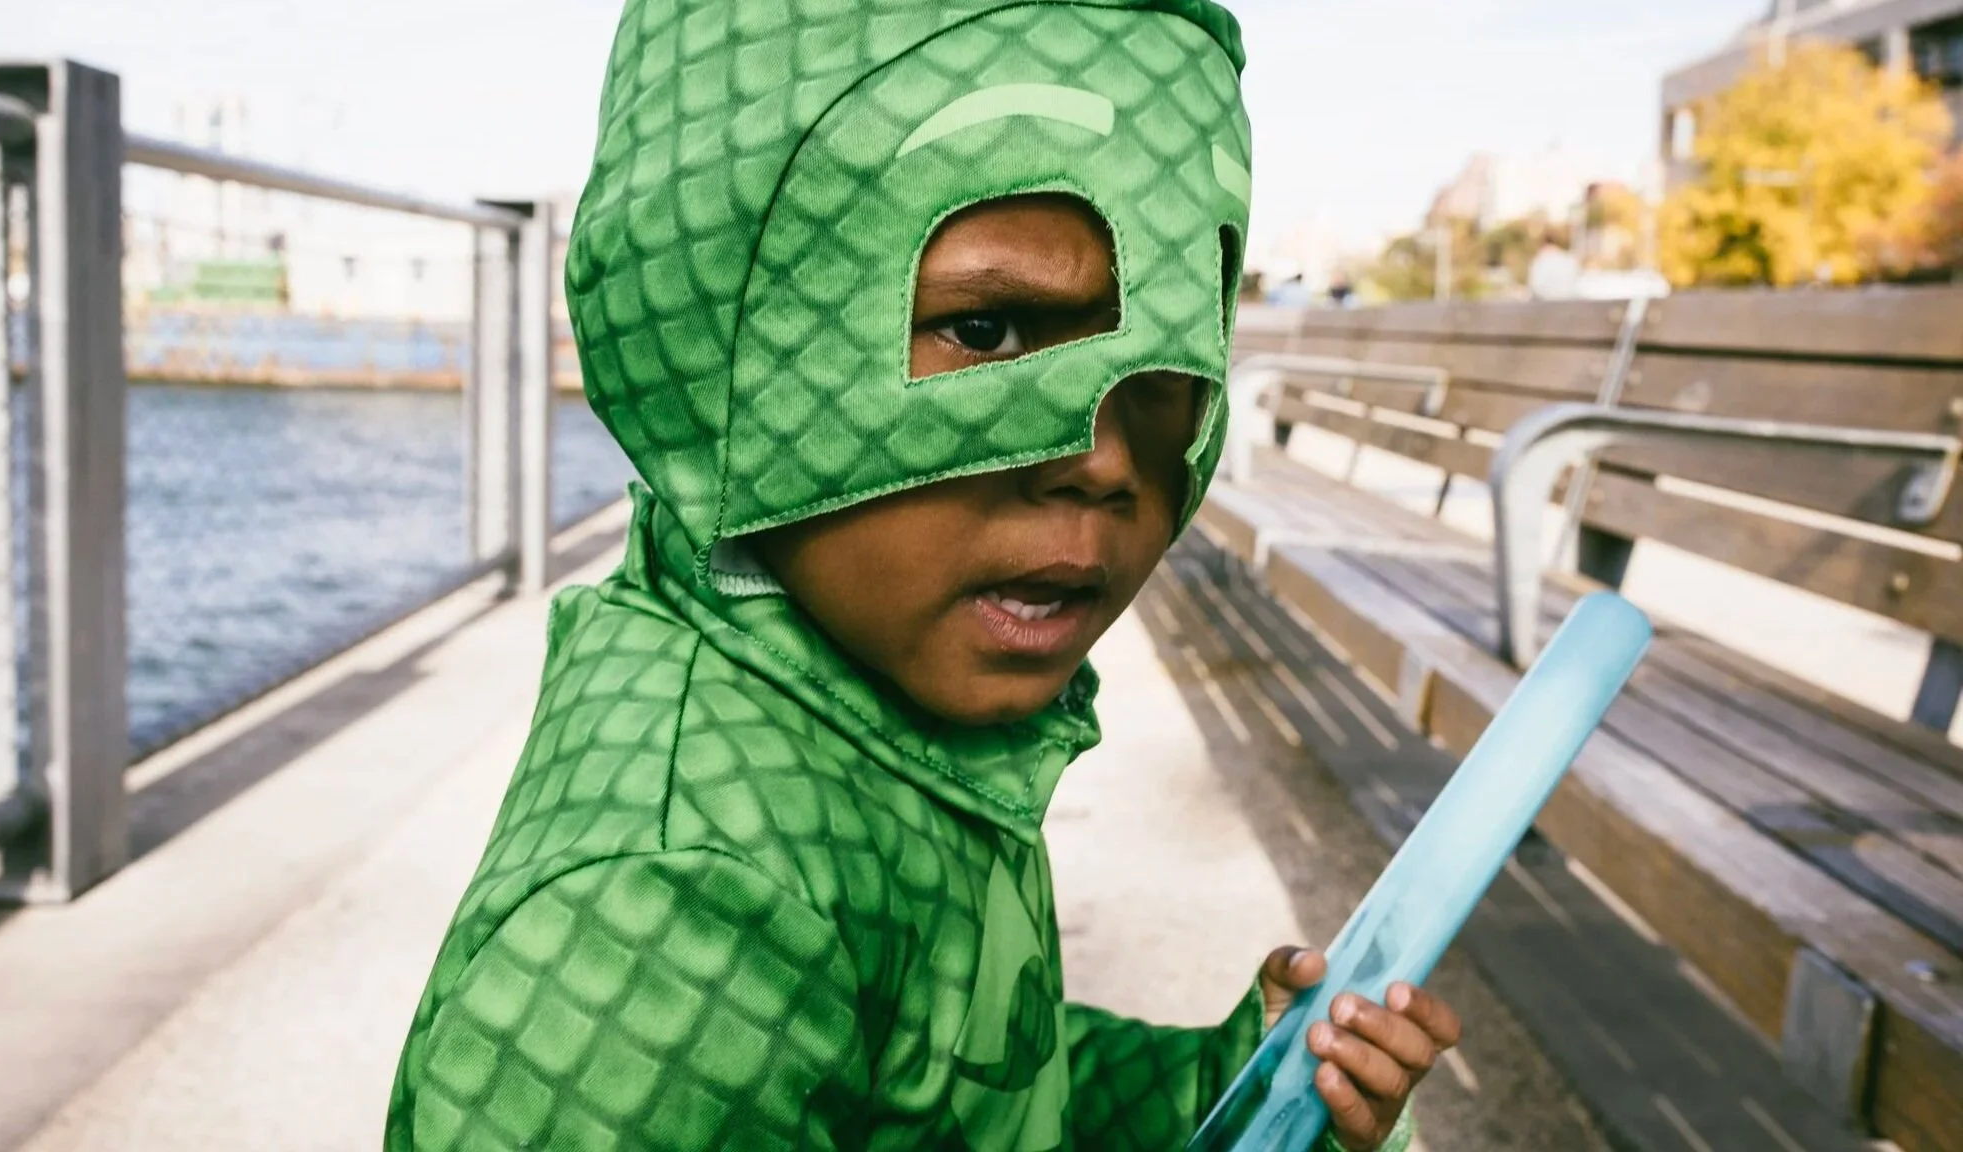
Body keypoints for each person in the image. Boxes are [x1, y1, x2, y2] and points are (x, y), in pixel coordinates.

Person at [384, 2, 1461, 1149]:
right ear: (719, 344)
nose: (1102, 461)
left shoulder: (884, 720)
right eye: (989, 333)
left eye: (1163, 359)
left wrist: (1235, 1091)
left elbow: (968, 1074)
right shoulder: (653, 920)